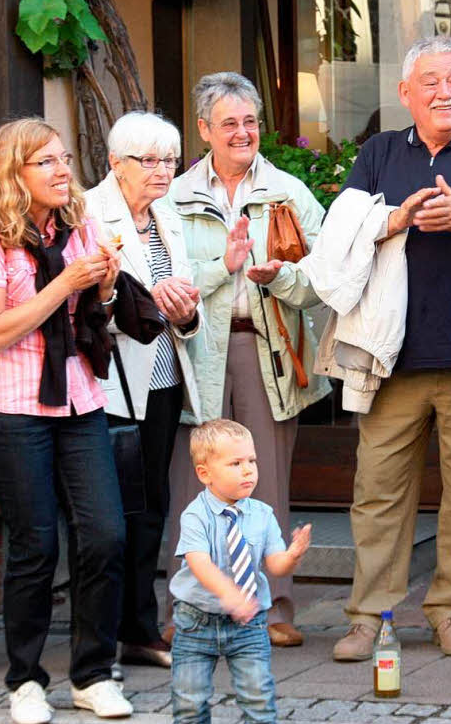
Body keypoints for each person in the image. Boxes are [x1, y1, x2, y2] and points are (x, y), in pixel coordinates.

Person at [331, 36, 451, 661]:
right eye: (430, 81)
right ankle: (368, 615)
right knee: (377, 491)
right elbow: (340, 236)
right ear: (405, 94)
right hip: (392, 358)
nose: (446, 91)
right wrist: (394, 220)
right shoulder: (379, 153)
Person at [0, 118, 132, 723]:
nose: (63, 171)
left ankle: (92, 673)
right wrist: (66, 281)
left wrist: (104, 286)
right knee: (35, 545)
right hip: (9, 405)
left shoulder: (79, 225)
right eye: (46, 163)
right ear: (14, 174)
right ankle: (26, 680)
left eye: (63, 159)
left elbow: (95, 316)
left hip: (78, 397)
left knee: (106, 534)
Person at [164, 72, 330, 648]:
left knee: (263, 478)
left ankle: (274, 606)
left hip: (269, 348)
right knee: (194, 478)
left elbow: (326, 276)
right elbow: (162, 277)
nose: (242, 133)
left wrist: (281, 276)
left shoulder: (289, 192)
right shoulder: (175, 196)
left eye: (251, 122)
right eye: (229, 123)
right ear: (204, 129)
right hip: (196, 347)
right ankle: (187, 607)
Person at [85, 111, 202, 671]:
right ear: (115, 164)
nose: (162, 171)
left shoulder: (169, 217)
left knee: (151, 506)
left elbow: (180, 310)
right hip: (107, 386)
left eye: (170, 160)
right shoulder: (88, 213)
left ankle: (139, 627)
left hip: (160, 381)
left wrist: (184, 312)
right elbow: (82, 308)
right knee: (108, 515)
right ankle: (99, 634)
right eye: (149, 161)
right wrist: (150, 301)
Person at [169, 419, 311, 723]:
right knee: (189, 703)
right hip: (196, 621)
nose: (248, 470)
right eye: (235, 463)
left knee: (259, 699)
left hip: (249, 625)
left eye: (252, 461)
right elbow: (199, 562)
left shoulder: (262, 515)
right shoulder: (195, 515)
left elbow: (274, 565)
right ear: (205, 473)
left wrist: (292, 555)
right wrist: (229, 594)